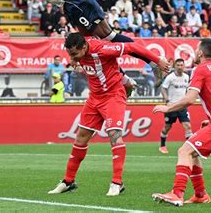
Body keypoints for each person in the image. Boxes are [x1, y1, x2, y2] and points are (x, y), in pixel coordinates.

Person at [0, 0, 169, 83]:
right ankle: (123, 81)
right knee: (89, 44)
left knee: (108, 37)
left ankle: (154, 63)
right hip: (70, 0)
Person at [48, 33, 167, 196]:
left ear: (84, 47)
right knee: (81, 137)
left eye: (74, 54)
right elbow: (88, 63)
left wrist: (157, 61)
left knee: (114, 134)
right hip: (94, 97)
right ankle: (68, 181)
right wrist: (75, 60)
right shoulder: (79, 49)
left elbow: (132, 46)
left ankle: (117, 183)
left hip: (113, 95)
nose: (72, 57)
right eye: (70, 54)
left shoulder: (102, 49)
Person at [152, 39, 211, 206]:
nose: (195, 52)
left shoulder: (200, 69)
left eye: (196, 50)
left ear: (201, 53)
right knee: (193, 151)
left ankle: (177, 193)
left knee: (184, 151)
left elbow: (189, 99)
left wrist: (168, 108)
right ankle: (200, 194)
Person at [159, 59, 192, 154]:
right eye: (178, 65)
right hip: (172, 106)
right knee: (167, 127)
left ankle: (189, 148)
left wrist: (187, 99)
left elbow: (188, 89)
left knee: (187, 126)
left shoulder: (186, 77)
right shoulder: (170, 77)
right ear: (175, 66)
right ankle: (162, 145)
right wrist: (167, 100)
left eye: (181, 65)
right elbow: (163, 88)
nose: (180, 67)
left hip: (182, 106)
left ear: (184, 66)